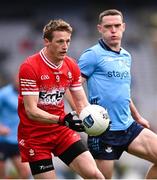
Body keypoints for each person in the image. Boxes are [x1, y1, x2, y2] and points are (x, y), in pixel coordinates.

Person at [17, 19, 105, 179]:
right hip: (35, 137)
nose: (65, 46)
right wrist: (62, 119)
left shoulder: (71, 65)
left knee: (95, 175)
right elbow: (31, 111)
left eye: (68, 41)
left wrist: (97, 121)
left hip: (61, 132)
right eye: (60, 41)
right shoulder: (29, 67)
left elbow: (81, 102)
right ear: (46, 42)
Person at [77, 9, 157, 179]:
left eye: (117, 25)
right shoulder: (92, 55)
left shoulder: (126, 56)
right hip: (103, 130)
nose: (113, 30)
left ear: (124, 27)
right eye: (108, 26)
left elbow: (124, 92)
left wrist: (137, 116)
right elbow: (73, 86)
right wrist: (82, 111)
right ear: (100, 28)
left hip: (128, 126)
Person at [0, 75, 31, 179]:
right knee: (1, 174)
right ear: (14, 79)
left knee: (25, 173)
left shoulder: (26, 95)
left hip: (16, 140)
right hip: (2, 140)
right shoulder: (4, 93)